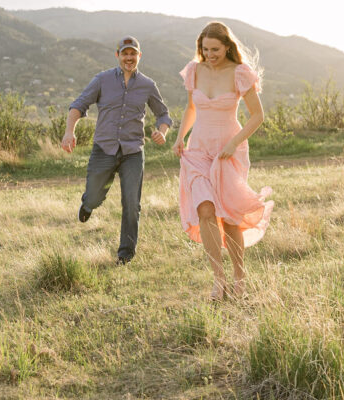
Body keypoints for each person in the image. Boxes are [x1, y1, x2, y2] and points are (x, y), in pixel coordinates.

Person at [172, 21, 273, 300]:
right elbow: (191, 108)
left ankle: (239, 277)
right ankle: (219, 279)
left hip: (228, 149)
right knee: (205, 210)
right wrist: (180, 136)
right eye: (205, 49)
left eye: (215, 49)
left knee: (229, 216)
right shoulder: (195, 70)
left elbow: (257, 116)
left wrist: (233, 143)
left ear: (227, 46)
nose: (210, 54)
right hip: (198, 150)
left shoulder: (240, 73)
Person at [61, 36, 172, 264]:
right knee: (94, 194)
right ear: (118, 55)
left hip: (133, 151)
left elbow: (163, 114)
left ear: (139, 56)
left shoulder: (148, 85)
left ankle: (125, 255)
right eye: (125, 53)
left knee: (132, 203)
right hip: (104, 148)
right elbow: (79, 104)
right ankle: (88, 203)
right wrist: (69, 131)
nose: (129, 58)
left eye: (133, 54)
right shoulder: (101, 80)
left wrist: (163, 131)